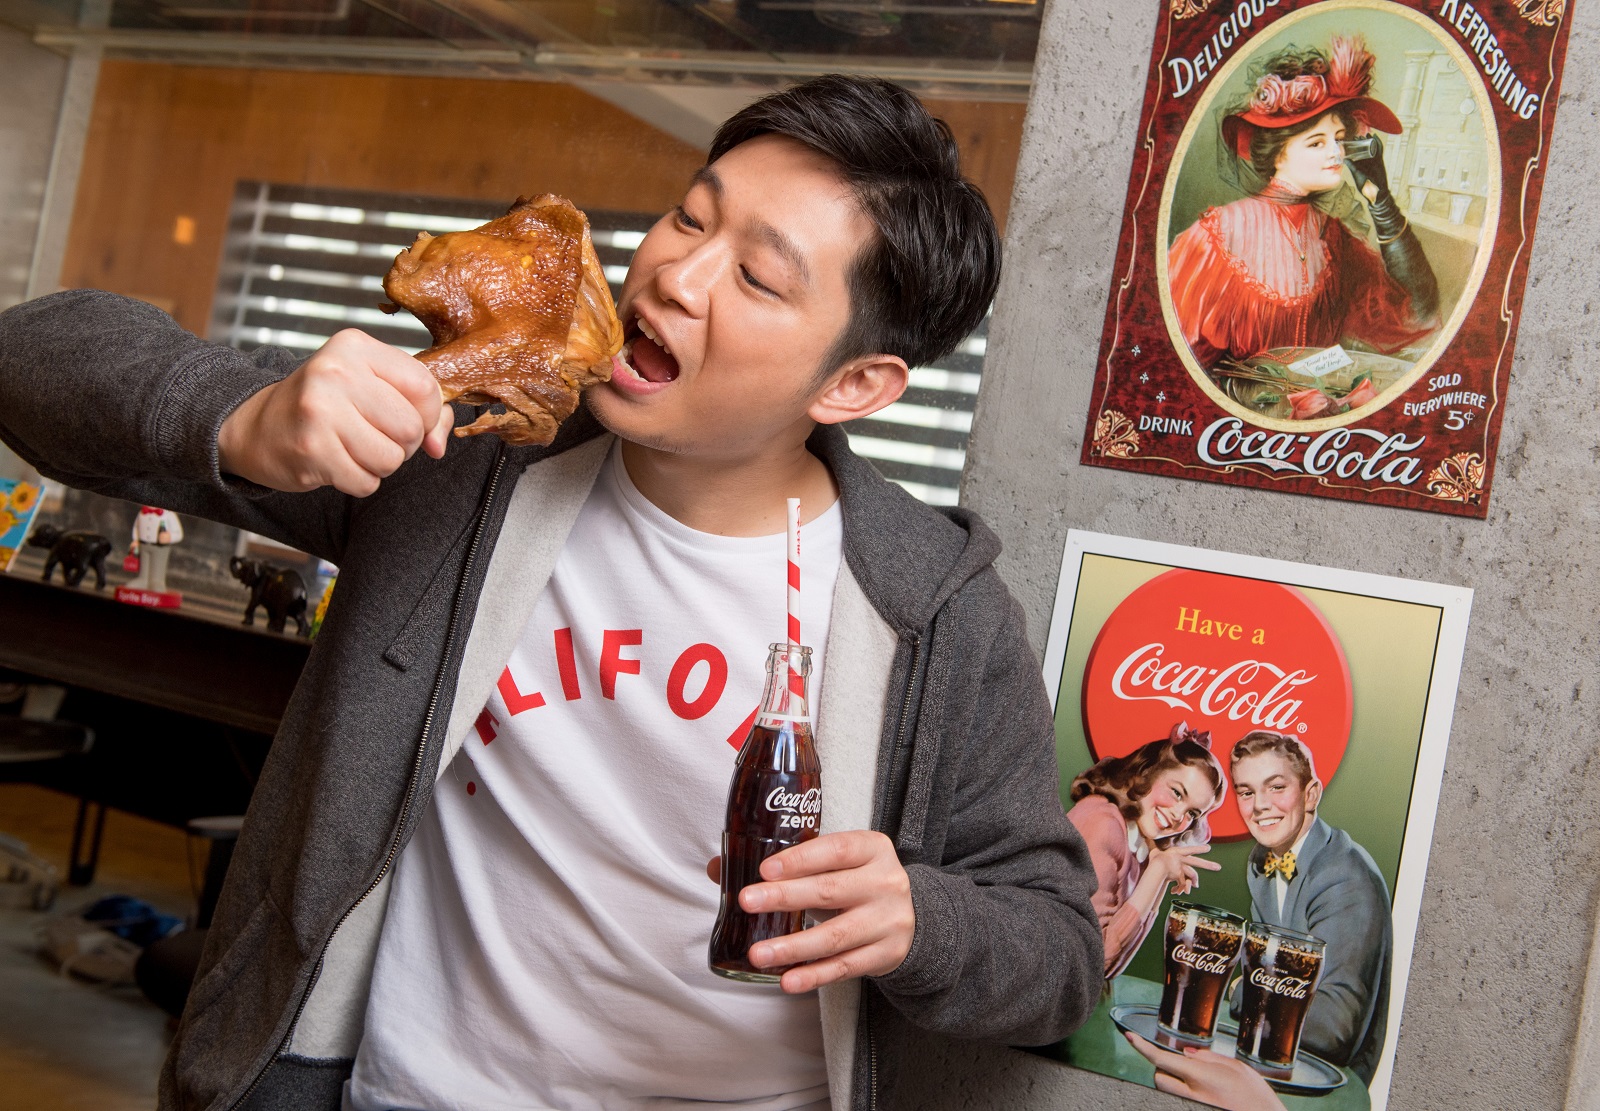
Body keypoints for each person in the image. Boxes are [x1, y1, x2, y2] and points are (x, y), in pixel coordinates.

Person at [0, 76, 1103, 1111]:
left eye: (758, 275)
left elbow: (1056, 950)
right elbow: (32, 358)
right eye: (688, 217)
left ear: (854, 383)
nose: (676, 273)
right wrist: (244, 420)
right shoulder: (457, 466)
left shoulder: (931, 610)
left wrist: (925, 922)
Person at [1167, 36, 1440, 418]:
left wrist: (1381, 202)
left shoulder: (1331, 235)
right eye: (1316, 143)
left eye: (1340, 139)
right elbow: (1174, 368)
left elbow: (1415, 313)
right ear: (1278, 153)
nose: (1336, 153)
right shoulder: (1216, 236)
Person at [1229, 729, 1393, 1084]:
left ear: (1311, 794)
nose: (1259, 805)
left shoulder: (1345, 876)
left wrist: (1240, 991)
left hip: (1329, 1083)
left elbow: (1332, 1028)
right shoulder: (1261, 862)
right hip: (1272, 1058)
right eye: (1246, 792)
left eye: (1276, 787)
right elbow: (1270, 972)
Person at [1066, 722, 1225, 978]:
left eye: (1192, 813)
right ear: (1147, 772)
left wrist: (1159, 873)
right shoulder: (1102, 823)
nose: (1177, 816)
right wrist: (1158, 871)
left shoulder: (1140, 842)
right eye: (1176, 792)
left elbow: (1113, 967)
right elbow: (1094, 961)